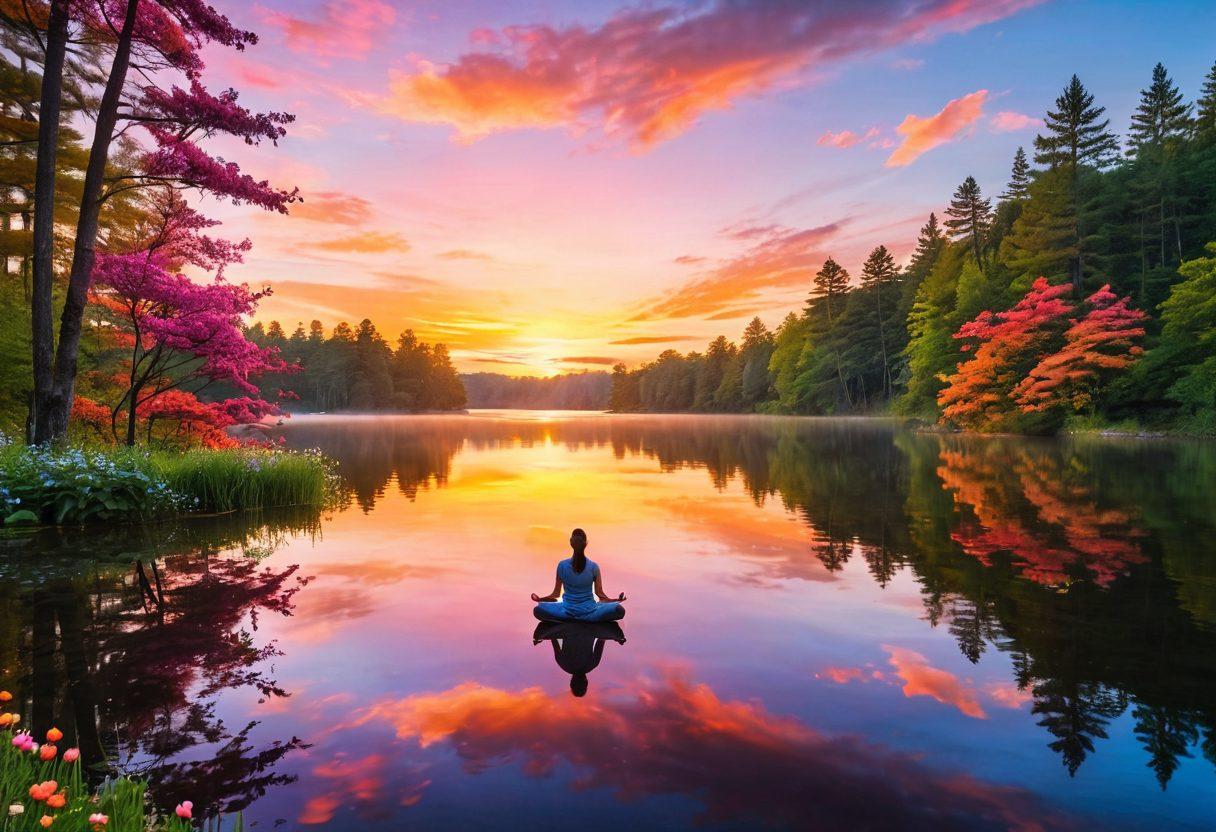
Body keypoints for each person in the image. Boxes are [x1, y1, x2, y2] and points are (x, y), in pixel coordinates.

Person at [531, 528, 626, 623]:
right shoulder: (593, 567)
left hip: (567, 612)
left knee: (538, 610)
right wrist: (616, 600)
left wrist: (540, 599)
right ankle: (587, 619)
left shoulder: (562, 565)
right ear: (585, 543)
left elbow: (555, 595)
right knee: (619, 610)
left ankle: (566, 619)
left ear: (571, 542)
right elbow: (601, 596)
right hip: (589, 612)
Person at [533, 620, 626, 697]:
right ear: (571, 682)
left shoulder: (593, 664)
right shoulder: (563, 664)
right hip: (568, 627)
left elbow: (601, 640)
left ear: (586, 682)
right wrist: (541, 638)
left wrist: (616, 638)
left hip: (587, 626)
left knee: (616, 633)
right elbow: (554, 640)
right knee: (541, 634)